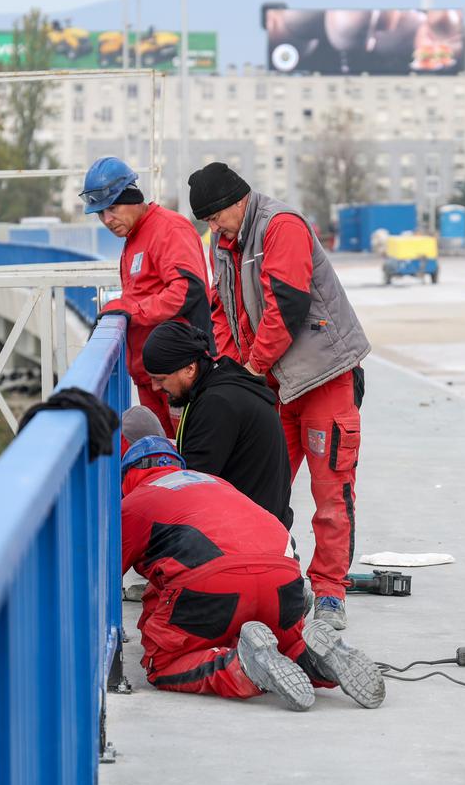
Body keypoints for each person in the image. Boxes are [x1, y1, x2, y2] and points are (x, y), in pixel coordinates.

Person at [188, 161, 370, 631]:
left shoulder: (281, 227)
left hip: (323, 378)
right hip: (274, 385)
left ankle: (329, 591)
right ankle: (272, 578)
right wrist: (231, 371)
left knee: (331, 493)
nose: (212, 229)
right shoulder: (225, 245)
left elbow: (284, 306)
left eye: (214, 219)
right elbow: (224, 311)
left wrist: (250, 369)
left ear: (237, 202)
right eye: (206, 223)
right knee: (259, 489)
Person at [120, 435, 385, 711]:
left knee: (163, 662)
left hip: (215, 583)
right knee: (285, 644)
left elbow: (100, 580)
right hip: (283, 581)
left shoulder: (134, 502)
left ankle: (243, 667)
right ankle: (312, 658)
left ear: (126, 477)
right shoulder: (215, 483)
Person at [80, 156, 211, 435]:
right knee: (162, 460)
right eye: (100, 214)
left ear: (134, 196)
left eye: (112, 208)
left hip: (178, 377)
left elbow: (187, 290)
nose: (107, 220)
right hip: (150, 377)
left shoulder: (168, 229)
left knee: (188, 460)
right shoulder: (135, 237)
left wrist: (130, 310)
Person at [141, 319, 293, 527]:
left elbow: (193, 484)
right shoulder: (218, 385)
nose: (155, 387)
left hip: (250, 534)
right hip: (262, 520)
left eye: (160, 379)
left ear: (189, 369)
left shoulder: (217, 404)